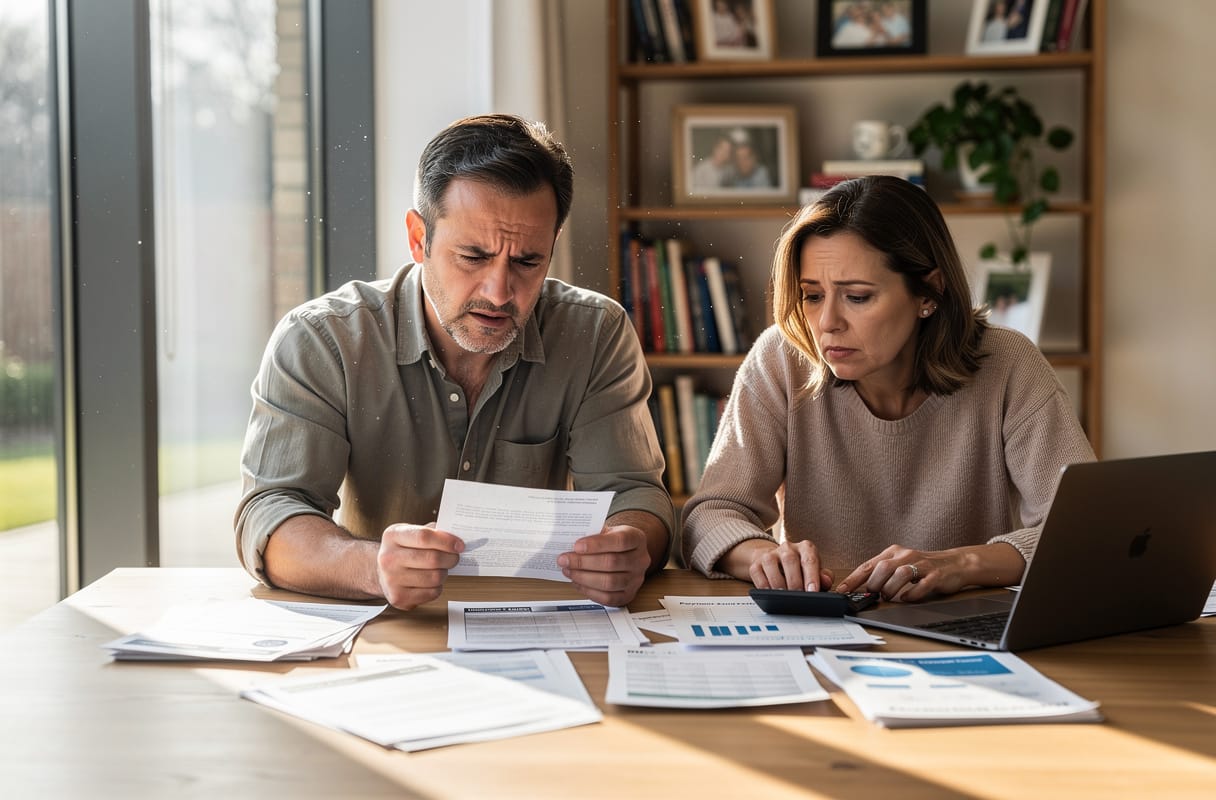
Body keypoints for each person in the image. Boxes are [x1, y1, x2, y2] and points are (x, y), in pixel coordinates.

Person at [235, 114, 674, 611]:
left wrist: (629, 545)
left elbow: (635, 496)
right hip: (379, 625)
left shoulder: (595, 334)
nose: (499, 292)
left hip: (537, 619)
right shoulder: (321, 339)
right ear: (418, 238)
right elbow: (270, 514)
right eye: (473, 256)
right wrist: (373, 567)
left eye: (528, 262)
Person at [681, 175, 1094, 602]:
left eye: (857, 296)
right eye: (813, 296)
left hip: (964, 625)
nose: (827, 324)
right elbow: (709, 516)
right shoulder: (780, 360)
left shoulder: (1009, 363)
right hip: (827, 628)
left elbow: (1084, 530)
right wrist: (763, 556)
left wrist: (962, 564)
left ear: (928, 292)